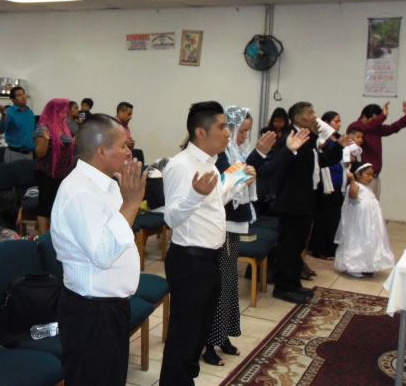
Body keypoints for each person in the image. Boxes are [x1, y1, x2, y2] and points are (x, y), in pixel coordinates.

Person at [160, 101, 252, 385]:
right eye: (222, 127)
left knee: (199, 333)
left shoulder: (208, 163)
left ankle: (185, 380)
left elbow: (213, 202)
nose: (228, 133)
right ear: (201, 132)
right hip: (190, 261)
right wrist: (194, 195)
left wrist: (238, 180)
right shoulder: (180, 166)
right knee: (184, 335)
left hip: (209, 258)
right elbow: (171, 218)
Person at [51, 114, 145, 386]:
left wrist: (128, 200)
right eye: (123, 146)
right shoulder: (80, 191)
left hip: (109, 307)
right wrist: (131, 203)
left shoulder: (107, 184)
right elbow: (102, 254)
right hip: (91, 312)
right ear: (102, 150)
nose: (129, 152)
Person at [271, 102, 351, 304]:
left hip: (306, 200)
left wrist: (339, 146)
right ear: (298, 118)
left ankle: (294, 283)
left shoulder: (308, 138)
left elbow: (320, 162)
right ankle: (283, 287)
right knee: (288, 246)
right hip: (292, 202)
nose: (315, 117)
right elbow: (286, 168)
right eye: (310, 113)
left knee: (298, 245)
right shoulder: (291, 138)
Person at [203, 106, 259, 367]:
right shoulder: (220, 154)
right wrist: (249, 170)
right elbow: (225, 184)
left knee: (229, 285)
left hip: (233, 226)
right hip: (221, 226)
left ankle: (223, 335)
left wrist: (250, 171)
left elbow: (244, 177)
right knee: (220, 285)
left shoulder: (237, 151)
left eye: (247, 131)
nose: (243, 136)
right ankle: (209, 343)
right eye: (241, 131)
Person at [333, 162, 395, 278]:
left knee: (369, 241)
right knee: (357, 242)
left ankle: (366, 265)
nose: (371, 178)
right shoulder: (355, 186)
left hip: (370, 223)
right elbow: (353, 196)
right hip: (359, 223)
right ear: (358, 174)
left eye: (372, 175)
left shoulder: (367, 189)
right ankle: (352, 265)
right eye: (368, 174)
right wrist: (352, 180)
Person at [346, 100, 406, 199]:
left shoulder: (375, 128)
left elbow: (393, 128)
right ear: (364, 116)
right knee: (362, 204)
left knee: (374, 205)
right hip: (361, 177)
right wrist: (383, 116)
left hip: (374, 176)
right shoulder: (355, 127)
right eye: (374, 120)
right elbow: (365, 128)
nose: (376, 122)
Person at [33, 99, 75, 234]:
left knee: (56, 205)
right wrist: (45, 140)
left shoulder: (63, 126)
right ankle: (43, 236)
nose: (66, 112)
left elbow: (67, 145)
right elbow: (40, 153)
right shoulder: (43, 128)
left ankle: (53, 234)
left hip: (61, 172)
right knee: (45, 205)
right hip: (46, 172)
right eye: (63, 110)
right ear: (55, 111)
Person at [310, 111, 345, 260]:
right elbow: (323, 159)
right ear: (326, 123)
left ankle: (331, 247)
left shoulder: (338, 137)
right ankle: (320, 248)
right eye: (336, 121)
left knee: (335, 217)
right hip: (325, 183)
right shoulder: (321, 140)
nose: (339, 124)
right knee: (324, 217)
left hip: (338, 182)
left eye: (340, 121)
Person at [0, 86, 35, 163]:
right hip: (15, 154)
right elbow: (0, 130)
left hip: (30, 154)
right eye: (19, 95)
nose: (23, 97)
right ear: (13, 99)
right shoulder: (9, 112)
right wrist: (3, 115)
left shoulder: (30, 112)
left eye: (23, 94)